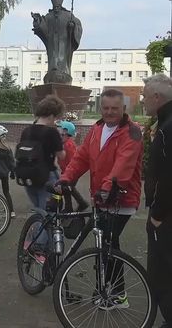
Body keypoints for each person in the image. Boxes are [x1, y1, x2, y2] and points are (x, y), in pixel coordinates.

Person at [58, 88, 143, 310]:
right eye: (105, 108)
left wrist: (106, 189)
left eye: (115, 108)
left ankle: (117, 294)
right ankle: (107, 290)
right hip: (101, 198)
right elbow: (81, 158)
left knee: (109, 243)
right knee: (105, 243)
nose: (109, 112)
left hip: (121, 200)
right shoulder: (97, 129)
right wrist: (66, 178)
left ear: (123, 108)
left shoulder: (132, 132)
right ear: (100, 108)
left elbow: (122, 166)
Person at [142, 73, 172, 327]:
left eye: (144, 97)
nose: (142, 101)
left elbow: (168, 174)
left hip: (166, 216)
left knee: (160, 273)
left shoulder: (167, 128)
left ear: (156, 97)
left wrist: (158, 215)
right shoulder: (163, 123)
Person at [17, 95, 65, 210]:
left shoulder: (26, 131)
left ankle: (35, 226)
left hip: (27, 175)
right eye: (56, 117)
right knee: (49, 215)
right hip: (46, 176)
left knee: (39, 211)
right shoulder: (52, 132)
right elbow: (61, 156)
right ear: (52, 115)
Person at [31, 0, 83, 84]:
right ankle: (52, 73)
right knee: (53, 59)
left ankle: (64, 74)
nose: (56, 8)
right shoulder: (49, 16)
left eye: (58, 6)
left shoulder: (68, 15)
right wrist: (37, 20)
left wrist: (73, 26)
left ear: (61, 5)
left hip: (64, 43)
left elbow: (78, 25)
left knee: (63, 60)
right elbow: (43, 27)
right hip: (52, 44)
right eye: (55, 6)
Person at [56, 120, 88, 212]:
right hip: (67, 171)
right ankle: (75, 205)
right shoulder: (65, 143)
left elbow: (72, 162)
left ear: (66, 133)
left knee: (67, 188)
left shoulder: (68, 145)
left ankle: (77, 205)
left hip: (71, 172)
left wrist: (66, 173)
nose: (59, 135)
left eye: (61, 133)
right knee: (69, 189)